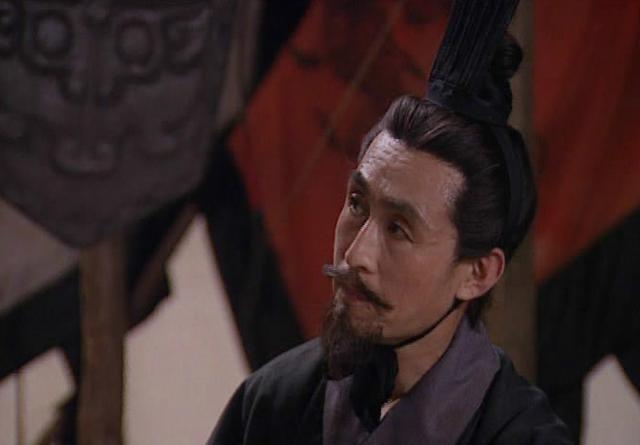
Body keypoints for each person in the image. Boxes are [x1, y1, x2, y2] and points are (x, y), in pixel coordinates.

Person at [208, 1, 573, 444]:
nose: (355, 254)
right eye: (357, 204)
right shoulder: (273, 403)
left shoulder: (524, 437)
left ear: (478, 273)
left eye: (399, 228)